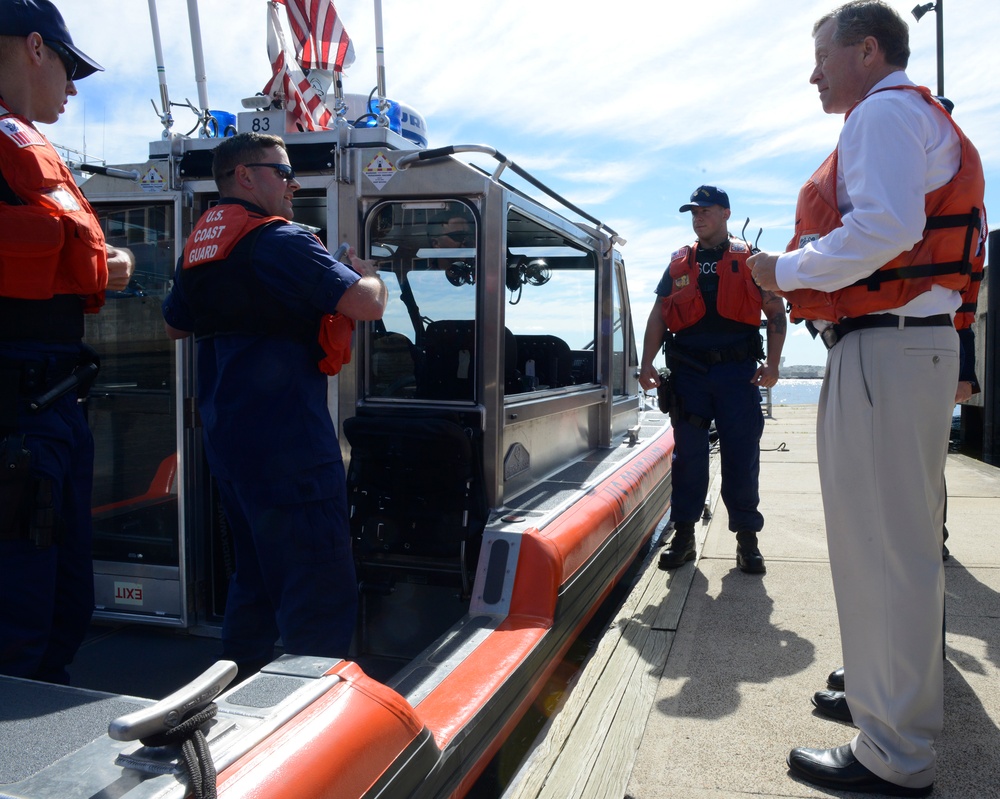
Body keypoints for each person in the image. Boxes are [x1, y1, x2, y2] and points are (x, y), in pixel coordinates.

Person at [748, 2, 986, 794]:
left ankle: (895, 755)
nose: (813, 73)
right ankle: (882, 697)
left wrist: (779, 272)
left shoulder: (884, 114)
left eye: (824, 56)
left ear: (869, 50)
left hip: (885, 344)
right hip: (898, 345)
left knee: (885, 548)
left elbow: (884, 228)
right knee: (888, 544)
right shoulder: (908, 118)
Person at [161, 132, 387, 679]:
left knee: (255, 581)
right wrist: (368, 272)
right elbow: (365, 305)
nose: (295, 183)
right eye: (283, 172)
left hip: (232, 449)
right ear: (245, 176)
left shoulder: (199, 249)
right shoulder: (280, 241)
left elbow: (173, 324)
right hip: (291, 450)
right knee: (320, 592)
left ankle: (230, 699)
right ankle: (317, 726)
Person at [0, 0, 135, 684]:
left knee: (61, 602)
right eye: (68, 66)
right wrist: (78, 259)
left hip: (50, 404)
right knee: (18, 615)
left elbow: (76, 255)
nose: (74, 88)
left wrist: (82, 260)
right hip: (16, 415)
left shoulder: (20, 144)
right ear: (33, 48)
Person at [639, 185, 786, 575]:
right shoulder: (678, 265)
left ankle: (747, 542)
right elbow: (658, 315)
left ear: (725, 213)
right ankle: (684, 538)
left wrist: (772, 365)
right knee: (688, 458)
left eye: (705, 210)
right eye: (694, 211)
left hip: (737, 375)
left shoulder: (752, 261)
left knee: (742, 456)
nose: (698, 216)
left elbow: (775, 313)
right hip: (688, 376)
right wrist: (646, 364)